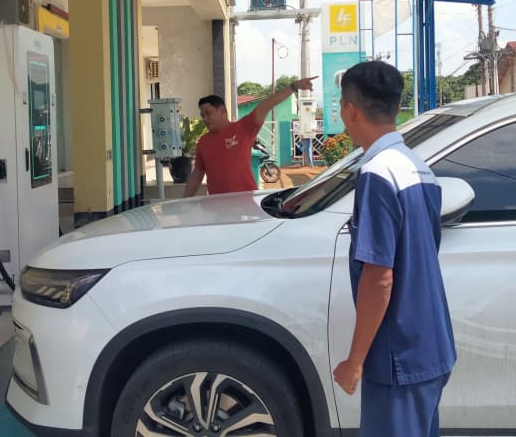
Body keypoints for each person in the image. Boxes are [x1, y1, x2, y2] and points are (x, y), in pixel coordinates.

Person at [331, 61, 456, 437]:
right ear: (397, 106)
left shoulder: (378, 173)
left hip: (398, 355)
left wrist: (355, 361)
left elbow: (380, 276)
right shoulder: (418, 168)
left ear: (350, 110)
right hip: (430, 347)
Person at [184, 76, 316, 196]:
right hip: (218, 206)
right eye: (202, 115)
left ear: (222, 110)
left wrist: (293, 87)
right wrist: (184, 201)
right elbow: (198, 172)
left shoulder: (243, 128)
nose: (205, 118)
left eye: (208, 113)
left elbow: (266, 105)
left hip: (246, 202)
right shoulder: (203, 142)